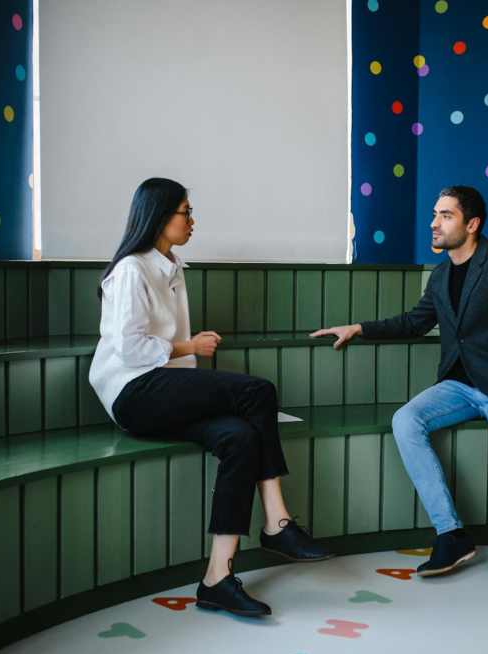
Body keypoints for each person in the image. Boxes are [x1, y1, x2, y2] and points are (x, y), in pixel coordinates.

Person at [89, 178, 334, 617]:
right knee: (258, 390)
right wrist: (190, 347)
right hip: (134, 392)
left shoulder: (172, 267)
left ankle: (217, 579)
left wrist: (186, 359)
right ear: (161, 216)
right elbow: (129, 349)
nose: (192, 220)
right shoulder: (131, 269)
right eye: (186, 211)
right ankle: (277, 522)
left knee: (241, 437)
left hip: (162, 392)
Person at [311, 185, 488, 580]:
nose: (434, 223)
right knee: (406, 420)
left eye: (446, 216)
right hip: (458, 385)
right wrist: (358, 328)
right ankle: (451, 535)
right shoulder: (440, 275)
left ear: (472, 224)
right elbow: (414, 322)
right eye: (434, 214)